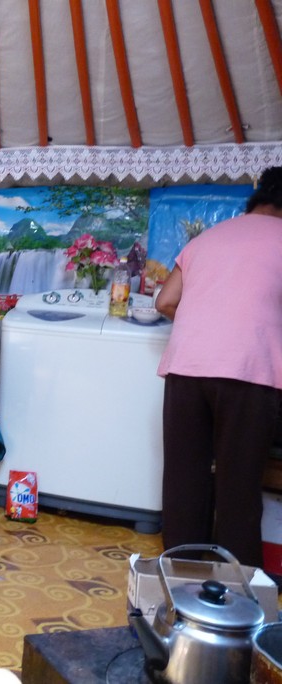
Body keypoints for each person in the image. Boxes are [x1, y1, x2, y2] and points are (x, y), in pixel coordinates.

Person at [155, 166, 282, 568]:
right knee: (238, 482)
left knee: (184, 477)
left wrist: (208, 326)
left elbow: (165, 301)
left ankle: (180, 570)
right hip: (250, 370)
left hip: (187, 366)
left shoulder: (208, 238)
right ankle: (239, 583)